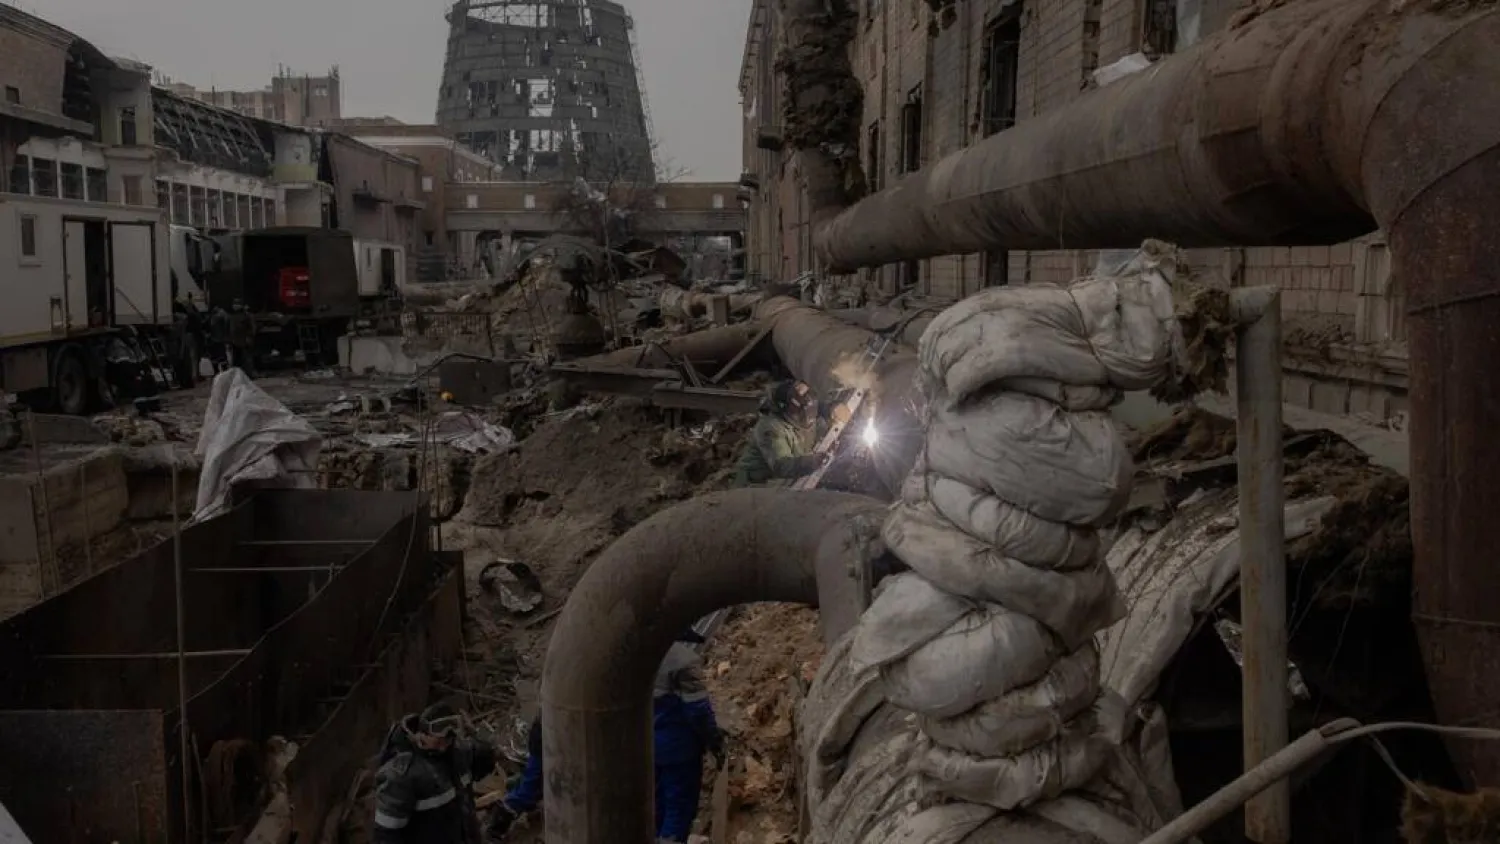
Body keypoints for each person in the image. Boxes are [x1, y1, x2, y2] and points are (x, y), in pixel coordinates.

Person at [487, 631, 724, 843]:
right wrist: (714, 741)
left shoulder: (619, 658)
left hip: (626, 745)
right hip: (677, 751)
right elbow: (698, 711)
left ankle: (506, 811)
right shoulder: (682, 660)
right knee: (677, 808)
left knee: (656, 803)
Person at [373, 702, 498, 844]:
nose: (444, 745)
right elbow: (386, 835)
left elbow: (485, 762)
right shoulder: (402, 776)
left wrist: (476, 735)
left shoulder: (458, 754)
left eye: (448, 739)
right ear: (421, 735)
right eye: (438, 739)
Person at [732, 380, 829, 487]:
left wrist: (831, 409)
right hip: (756, 484)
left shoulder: (804, 411)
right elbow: (782, 466)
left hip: (785, 478)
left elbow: (817, 407)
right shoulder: (771, 428)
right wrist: (811, 462)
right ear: (786, 410)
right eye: (800, 415)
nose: (809, 421)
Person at [227, 299, 256, 376]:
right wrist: (229, 340)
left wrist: (249, 338)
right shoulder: (231, 316)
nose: (235, 306)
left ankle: (248, 375)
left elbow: (252, 328)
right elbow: (230, 329)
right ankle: (237, 375)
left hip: (244, 341)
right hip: (235, 342)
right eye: (234, 304)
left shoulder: (247, 315)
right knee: (236, 361)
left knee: (246, 360)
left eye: (237, 304)